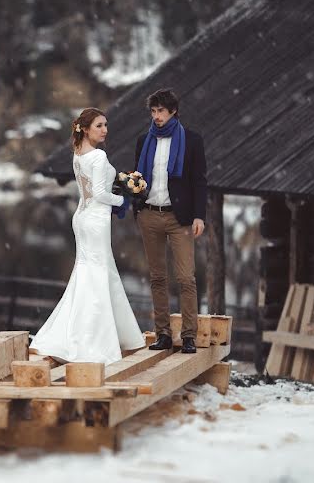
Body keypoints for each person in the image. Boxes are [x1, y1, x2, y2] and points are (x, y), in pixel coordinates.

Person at [30, 108, 146, 365]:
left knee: (88, 274)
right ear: (85, 128)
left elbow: (89, 190)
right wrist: (124, 198)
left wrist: (122, 181)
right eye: (99, 125)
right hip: (95, 218)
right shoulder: (98, 155)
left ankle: (78, 335)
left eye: (105, 125)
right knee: (96, 275)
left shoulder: (78, 154)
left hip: (82, 217)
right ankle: (93, 343)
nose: (105, 130)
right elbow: (100, 195)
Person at [133, 88, 208, 354]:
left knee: (186, 278)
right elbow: (138, 179)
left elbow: (199, 181)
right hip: (150, 214)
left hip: (180, 218)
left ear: (173, 111)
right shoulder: (144, 141)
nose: (157, 117)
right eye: (153, 112)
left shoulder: (192, 140)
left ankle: (189, 336)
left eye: (161, 111)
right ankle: (163, 334)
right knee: (157, 278)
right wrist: (136, 206)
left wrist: (199, 215)